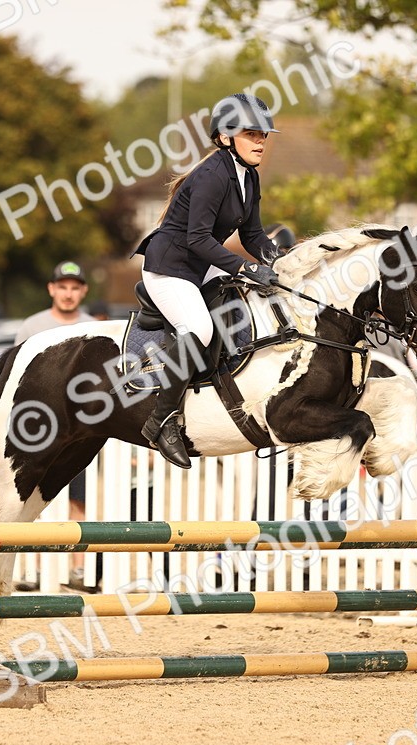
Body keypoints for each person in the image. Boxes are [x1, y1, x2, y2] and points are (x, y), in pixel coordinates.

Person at [134, 92, 285, 469]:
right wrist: (244, 268)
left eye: (264, 134)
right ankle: (161, 420)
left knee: (252, 301)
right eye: (252, 134)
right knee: (200, 328)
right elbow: (197, 239)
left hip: (198, 265)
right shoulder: (213, 176)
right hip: (169, 268)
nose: (261, 141)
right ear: (225, 137)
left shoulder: (247, 176)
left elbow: (253, 236)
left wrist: (282, 263)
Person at [14, 261, 96, 591]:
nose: (68, 293)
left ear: (83, 291)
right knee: (33, 497)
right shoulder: (33, 326)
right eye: (62, 286)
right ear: (51, 289)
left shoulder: (95, 327)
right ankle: (32, 569)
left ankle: (78, 570)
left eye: (75, 287)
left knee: (81, 499)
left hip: (84, 428)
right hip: (39, 427)